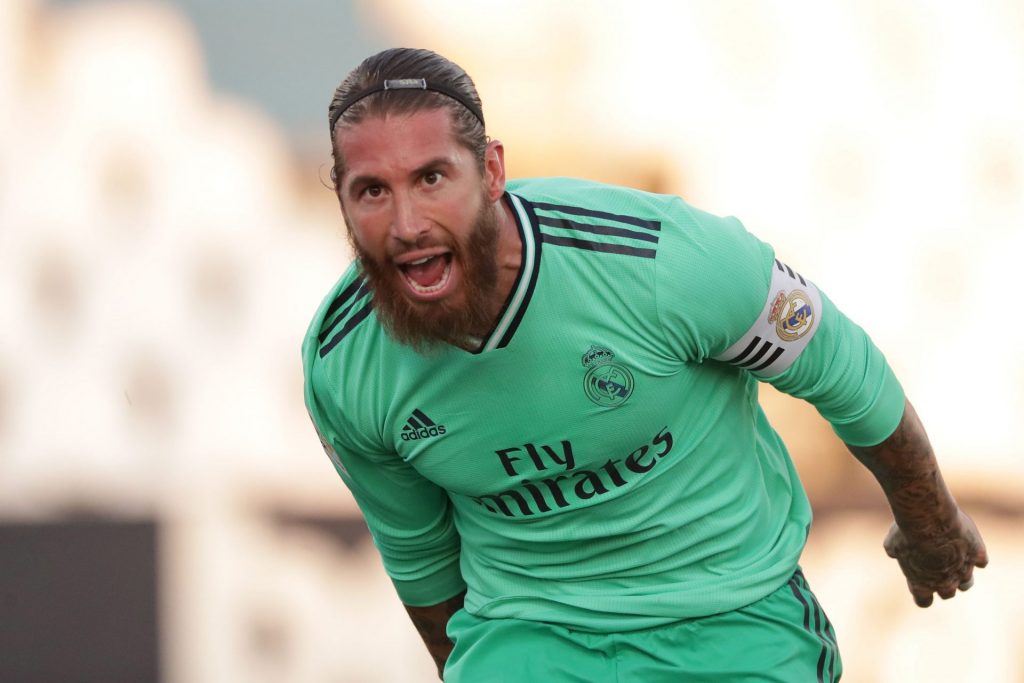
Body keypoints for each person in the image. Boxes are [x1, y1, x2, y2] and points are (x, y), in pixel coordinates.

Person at [302, 47, 988, 682]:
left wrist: (931, 524)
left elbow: (841, 366)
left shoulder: (662, 260)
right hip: (530, 634)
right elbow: (424, 567)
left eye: (430, 178)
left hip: (733, 615)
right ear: (341, 198)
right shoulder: (343, 363)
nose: (407, 224)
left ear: (491, 171)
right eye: (372, 191)